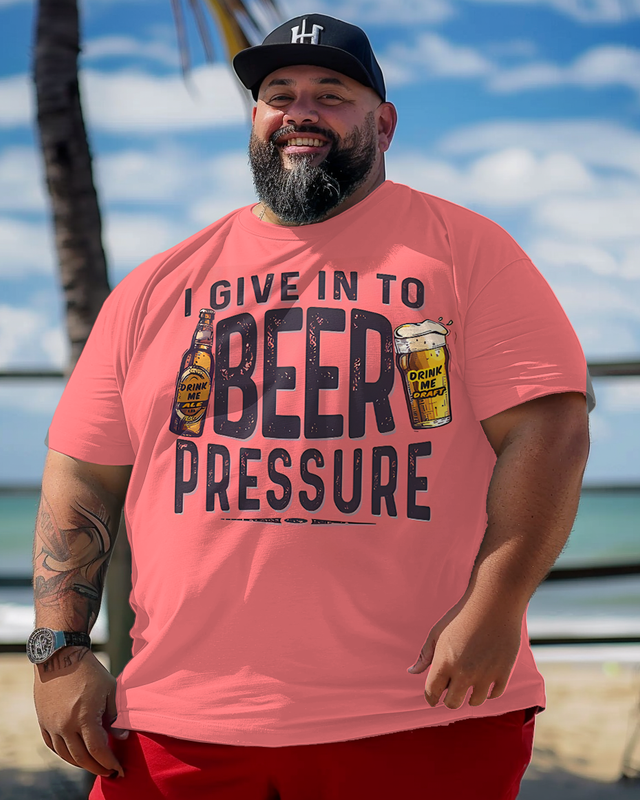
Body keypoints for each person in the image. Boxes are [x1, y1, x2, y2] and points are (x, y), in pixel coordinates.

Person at [30, 12, 592, 800]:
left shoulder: (465, 252)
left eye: (332, 93)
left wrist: (496, 604)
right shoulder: (158, 286)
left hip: (422, 711)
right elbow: (83, 473)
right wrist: (58, 650)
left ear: (384, 123)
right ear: (256, 120)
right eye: (277, 94)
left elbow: (551, 428)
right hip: (179, 721)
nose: (301, 110)